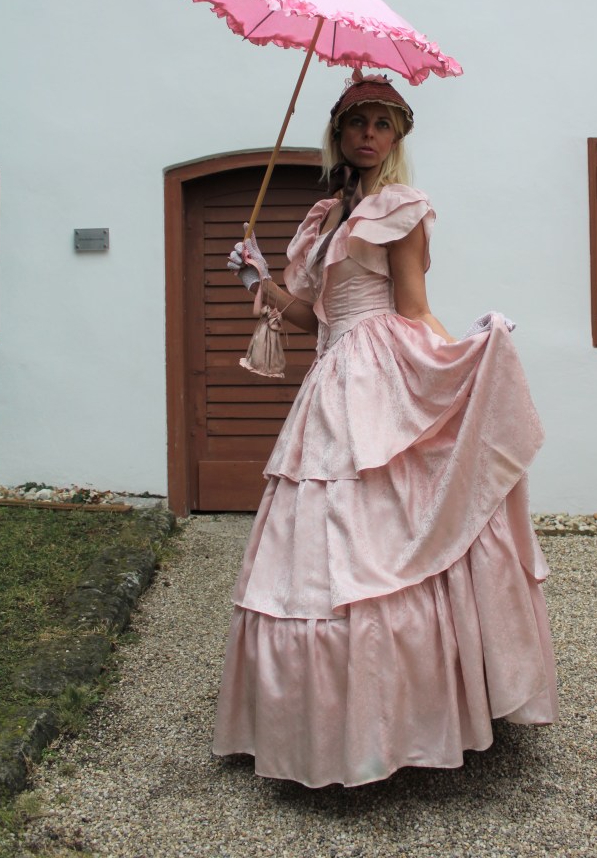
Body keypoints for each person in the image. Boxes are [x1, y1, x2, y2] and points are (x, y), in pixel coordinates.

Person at [215, 71, 559, 788]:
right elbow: (311, 317)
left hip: (377, 373)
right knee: (321, 536)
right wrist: (258, 279)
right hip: (331, 378)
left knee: (390, 529)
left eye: (382, 124)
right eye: (356, 123)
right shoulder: (323, 218)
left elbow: (413, 306)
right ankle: (324, 723)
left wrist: (462, 357)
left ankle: (408, 717)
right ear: (338, 133)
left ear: (397, 136)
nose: (368, 135)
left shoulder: (403, 208)